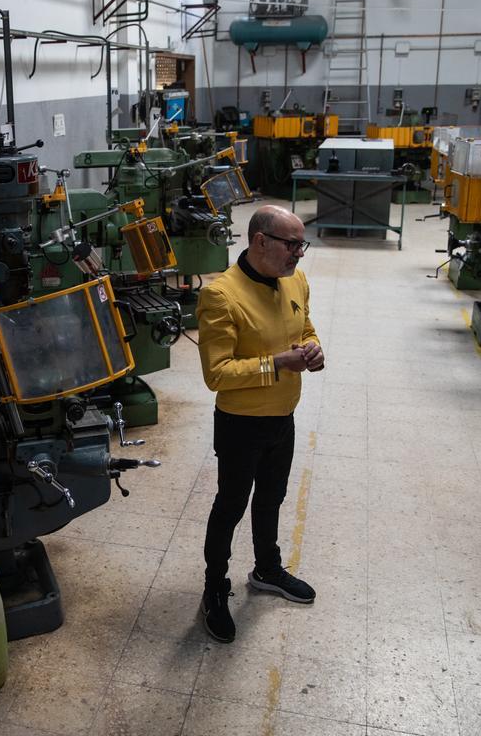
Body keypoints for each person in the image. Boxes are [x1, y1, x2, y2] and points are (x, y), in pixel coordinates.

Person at [194, 204, 324, 643]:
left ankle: (267, 569)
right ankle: (214, 588)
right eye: (292, 245)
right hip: (240, 424)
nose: (299, 254)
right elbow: (217, 374)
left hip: (281, 418)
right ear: (260, 241)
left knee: (271, 498)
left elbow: (305, 327)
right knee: (230, 506)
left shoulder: (295, 280)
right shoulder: (221, 295)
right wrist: (277, 364)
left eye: (301, 245)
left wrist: (312, 350)